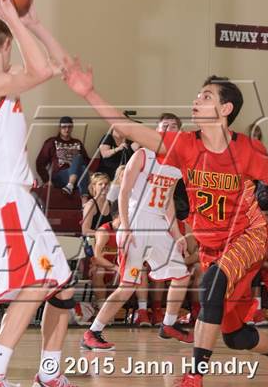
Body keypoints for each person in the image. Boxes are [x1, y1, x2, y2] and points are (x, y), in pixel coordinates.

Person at [63, 63, 268, 387]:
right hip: (213, 247)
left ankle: (193, 385)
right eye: (198, 95)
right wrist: (88, 93)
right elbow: (128, 128)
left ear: (225, 109)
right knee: (234, 334)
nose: (196, 101)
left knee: (212, 286)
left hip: (248, 235)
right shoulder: (184, 145)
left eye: (206, 96)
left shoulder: (247, 150)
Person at [0, 0, 92, 387]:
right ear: (3, 44)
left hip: (21, 198)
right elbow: (39, 69)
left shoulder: (4, 80)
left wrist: (33, 22)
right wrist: (16, 20)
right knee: (34, 285)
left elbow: (56, 66)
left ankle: (50, 375)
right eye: (13, 39)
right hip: (4, 200)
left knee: (63, 285)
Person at [81, 122, 192, 351]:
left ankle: (169, 324)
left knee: (181, 274)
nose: (165, 130)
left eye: (171, 127)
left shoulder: (177, 164)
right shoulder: (143, 154)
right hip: (136, 221)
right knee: (128, 285)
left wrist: (177, 234)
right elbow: (123, 191)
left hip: (159, 225)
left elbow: (168, 201)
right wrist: (127, 226)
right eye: (162, 126)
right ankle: (93, 332)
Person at [35, 116, 90, 202]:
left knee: (81, 164)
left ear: (72, 128)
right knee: (79, 158)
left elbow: (86, 161)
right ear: (59, 127)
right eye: (64, 127)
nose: (66, 129)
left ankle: (78, 196)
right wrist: (46, 180)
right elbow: (40, 163)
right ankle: (83, 198)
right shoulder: (52, 142)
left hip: (77, 178)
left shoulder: (77, 142)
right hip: (59, 177)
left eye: (69, 127)